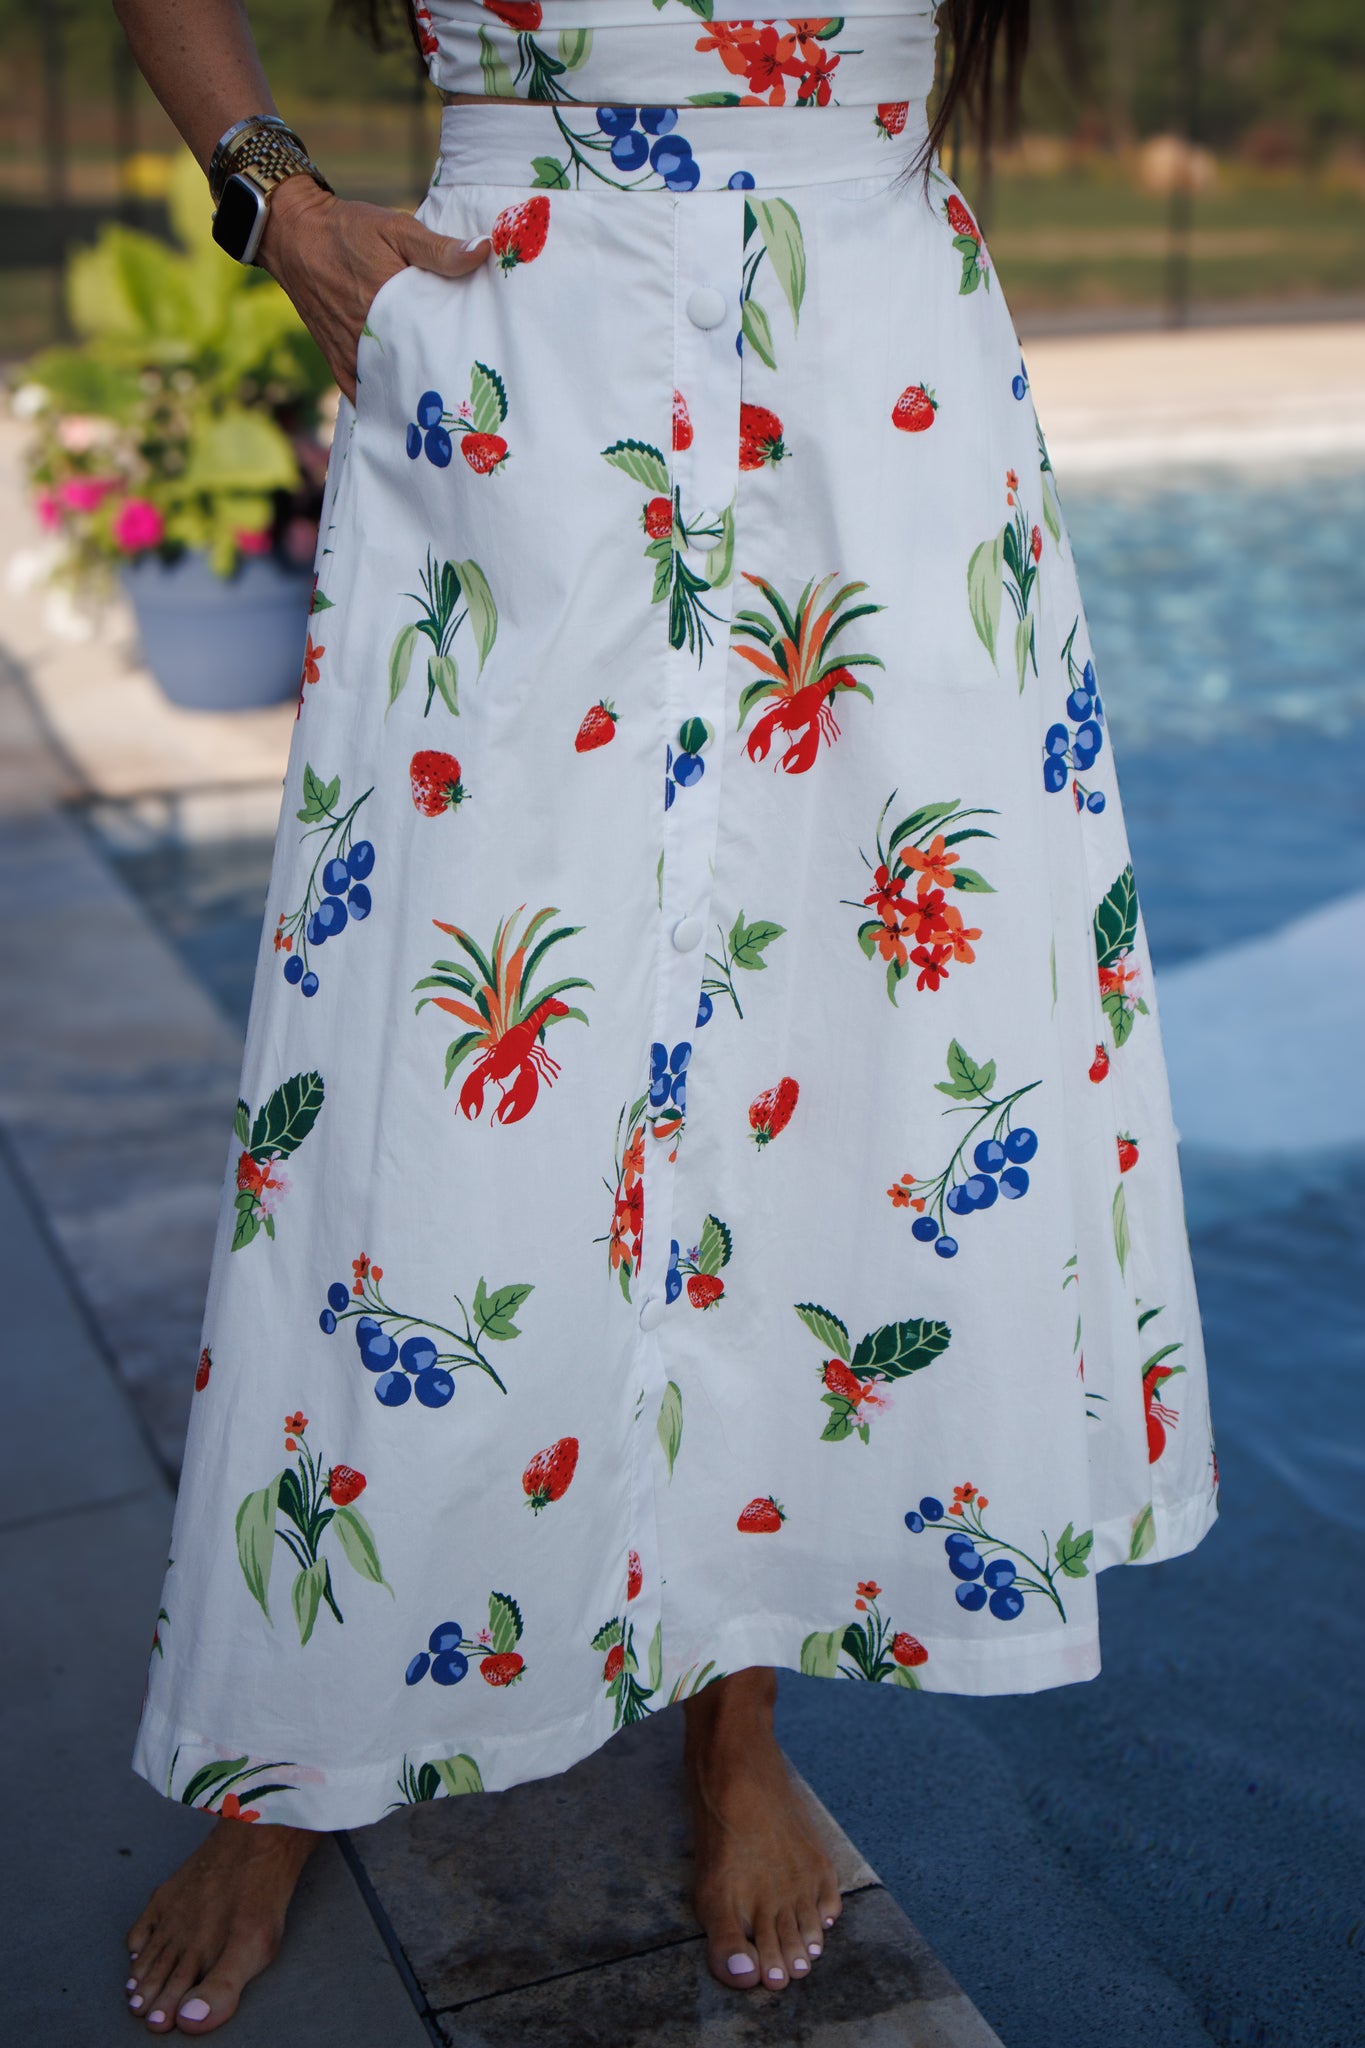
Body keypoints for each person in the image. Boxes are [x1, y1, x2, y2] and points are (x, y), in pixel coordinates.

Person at [116, 0, 1218, 2033]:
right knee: (422, 1058)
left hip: (870, 357)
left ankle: (735, 1714)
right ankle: (292, 1738)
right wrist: (273, 197)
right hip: (513, 326)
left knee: (827, 1036)